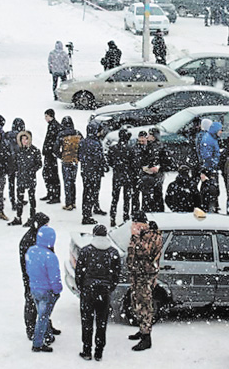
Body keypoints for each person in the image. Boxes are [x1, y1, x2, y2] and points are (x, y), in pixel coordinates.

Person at [76, 224, 121, 361]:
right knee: (102, 322)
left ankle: (87, 350)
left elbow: (79, 272)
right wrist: (109, 287)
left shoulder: (85, 251)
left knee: (87, 321)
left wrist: (82, 287)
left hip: (88, 291)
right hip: (104, 292)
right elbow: (116, 274)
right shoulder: (113, 253)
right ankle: (99, 351)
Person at [126, 212, 162, 352]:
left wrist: (135, 236)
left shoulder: (151, 235)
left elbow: (144, 252)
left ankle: (146, 337)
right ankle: (142, 330)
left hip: (145, 276)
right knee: (136, 302)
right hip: (137, 274)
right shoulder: (142, 235)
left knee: (144, 305)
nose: (133, 226)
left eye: (136, 223)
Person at [26, 225, 62, 353]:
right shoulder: (50, 257)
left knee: (42, 315)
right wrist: (58, 290)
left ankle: (47, 335)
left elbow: (28, 269)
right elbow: (54, 277)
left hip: (34, 288)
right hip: (46, 291)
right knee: (43, 317)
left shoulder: (31, 251)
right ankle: (38, 343)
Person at [19, 213, 55, 341]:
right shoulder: (29, 241)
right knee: (32, 302)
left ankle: (46, 326)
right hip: (33, 278)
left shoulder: (42, 237)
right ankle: (32, 329)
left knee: (45, 302)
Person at [10, 130, 43, 226]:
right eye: (23, 139)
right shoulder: (19, 151)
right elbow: (14, 163)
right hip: (20, 178)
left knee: (32, 198)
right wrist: (16, 171)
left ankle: (32, 218)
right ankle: (18, 217)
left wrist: (31, 171)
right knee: (19, 198)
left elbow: (39, 164)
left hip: (30, 178)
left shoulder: (35, 150)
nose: (24, 141)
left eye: (26, 139)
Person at [79, 122, 108, 225]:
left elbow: (79, 156)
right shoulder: (96, 143)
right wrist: (104, 166)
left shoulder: (83, 142)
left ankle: (89, 210)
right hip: (94, 172)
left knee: (87, 191)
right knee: (92, 192)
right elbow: (99, 158)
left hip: (86, 171)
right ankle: (87, 215)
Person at [108, 128, 136, 226]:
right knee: (126, 198)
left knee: (115, 198)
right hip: (127, 175)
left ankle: (112, 217)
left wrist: (116, 167)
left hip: (117, 175)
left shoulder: (113, 148)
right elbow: (133, 164)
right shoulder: (130, 149)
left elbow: (110, 161)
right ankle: (125, 217)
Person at [56, 116, 82, 211]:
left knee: (67, 181)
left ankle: (68, 203)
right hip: (75, 161)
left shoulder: (61, 134)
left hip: (66, 160)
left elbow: (55, 148)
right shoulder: (78, 133)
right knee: (73, 181)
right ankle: (73, 202)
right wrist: (78, 157)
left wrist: (61, 156)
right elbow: (82, 146)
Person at [198, 121, 223, 212]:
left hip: (211, 169)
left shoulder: (212, 138)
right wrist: (214, 164)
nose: (221, 132)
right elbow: (207, 157)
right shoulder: (208, 140)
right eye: (220, 130)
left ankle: (212, 206)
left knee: (212, 190)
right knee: (211, 191)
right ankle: (211, 208)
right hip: (210, 170)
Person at [4, 118, 26, 213]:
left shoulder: (7, 136)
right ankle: (19, 200)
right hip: (19, 163)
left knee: (11, 183)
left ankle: (13, 201)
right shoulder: (21, 137)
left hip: (9, 163)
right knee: (20, 184)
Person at [41, 109, 61, 203]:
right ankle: (50, 193)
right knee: (48, 174)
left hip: (51, 154)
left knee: (52, 174)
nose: (45, 118)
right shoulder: (52, 126)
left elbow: (53, 141)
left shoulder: (54, 126)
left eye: (46, 116)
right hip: (49, 154)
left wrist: (51, 150)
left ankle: (55, 195)